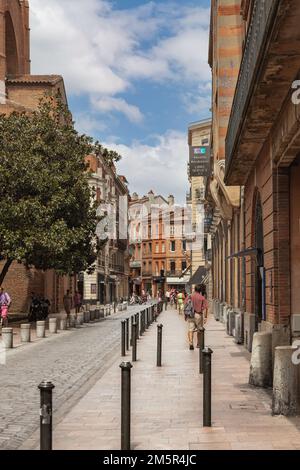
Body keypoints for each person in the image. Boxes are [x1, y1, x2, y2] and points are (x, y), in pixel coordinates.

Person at [186, 284, 208, 350]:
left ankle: (191, 343)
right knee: (199, 330)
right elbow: (206, 308)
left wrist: (185, 315)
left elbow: (185, 305)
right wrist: (205, 317)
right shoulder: (202, 297)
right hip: (198, 315)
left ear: (195, 289)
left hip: (190, 314)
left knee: (190, 329)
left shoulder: (189, 296)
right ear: (200, 290)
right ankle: (198, 343)